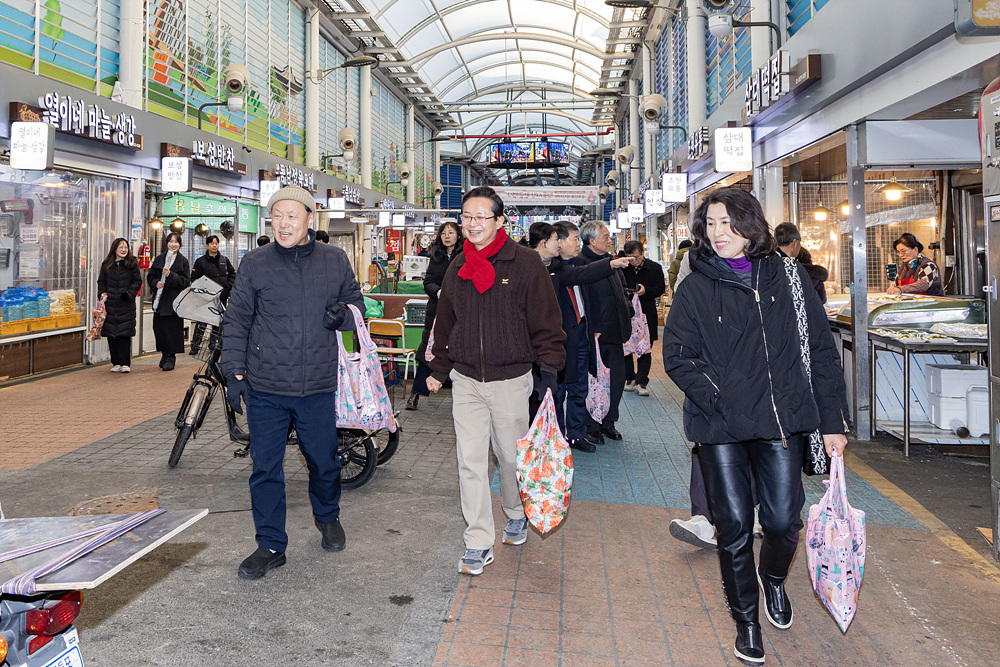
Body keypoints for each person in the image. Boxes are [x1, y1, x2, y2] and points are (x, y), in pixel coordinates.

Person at [662, 187, 849, 666]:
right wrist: (719, 397)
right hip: (720, 424)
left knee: (785, 522)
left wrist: (832, 421)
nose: (718, 233)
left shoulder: (788, 276)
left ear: (751, 225)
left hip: (780, 421)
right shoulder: (696, 285)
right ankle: (746, 619)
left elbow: (821, 352)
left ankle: (774, 580)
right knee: (735, 526)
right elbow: (678, 357)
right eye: (711, 225)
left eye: (728, 223)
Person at [221, 185, 364, 580]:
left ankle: (328, 515)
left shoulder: (335, 260)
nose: (283, 223)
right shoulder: (255, 263)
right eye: (276, 215)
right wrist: (232, 370)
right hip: (266, 385)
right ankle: (269, 544)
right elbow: (237, 320)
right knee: (265, 468)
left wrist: (345, 317)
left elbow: (357, 308)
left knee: (323, 461)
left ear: (309, 220)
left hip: (317, 385)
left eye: (291, 216)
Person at [425, 186, 565, 576]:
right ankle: (478, 541)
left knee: (509, 456)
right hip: (466, 377)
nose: (470, 224)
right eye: (465, 217)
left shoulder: (525, 264)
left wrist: (550, 370)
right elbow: (446, 321)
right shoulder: (457, 266)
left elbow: (545, 319)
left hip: (510, 377)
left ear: (500, 221)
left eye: (479, 217)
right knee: (469, 462)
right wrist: (438, 368)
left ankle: (515, 511)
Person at [529, 221, 629, 450]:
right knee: (556, 391)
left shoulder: (566, 267)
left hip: (582, 335)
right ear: (554, 242)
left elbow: (583, 276)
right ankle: (557, 436)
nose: (577, 243)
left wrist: (611, 264)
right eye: (573, 238)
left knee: (579, 389)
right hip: (557, 341)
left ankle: (576, 434)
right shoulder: (542, 269)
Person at [575, 221, 632, 445]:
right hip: (595, 335)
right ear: (591, 241)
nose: (610, 240)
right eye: (606, 236)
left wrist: (627, 309)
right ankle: (592, 426)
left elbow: (621, 290)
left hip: (616, 332)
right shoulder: (581, 264)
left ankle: (609, 422)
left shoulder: (611, 262)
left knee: (616, 380)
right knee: (593, 383)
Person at [406, 219, 463, 411]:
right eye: (444, 233)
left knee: (461, 353)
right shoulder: (435, 255)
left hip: (460, 310)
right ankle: (416, 393)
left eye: (451, 233)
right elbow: (428, 281)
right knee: (427, 352)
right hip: (437, 310)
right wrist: (438, 292)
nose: (447, 236)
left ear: (458, 235)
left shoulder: (465, 255)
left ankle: (463, 400)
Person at [622, 240, 666, 396]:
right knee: (626, 347)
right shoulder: (622, 268)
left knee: (645, 348)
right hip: (627, 313)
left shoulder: (654, 268)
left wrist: (646, 291)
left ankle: (642, 381)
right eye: (629, 257)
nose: (633, 260)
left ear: (642, 254)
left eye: (636, 256)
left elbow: (660, 288)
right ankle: (629, 378)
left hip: (647, 313)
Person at [147, 232, 191, 371]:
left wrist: (171, 275)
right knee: (160, 330)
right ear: (166, 243)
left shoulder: (183, 261)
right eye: (171, 241)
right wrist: (156, 283)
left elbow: (185, 282)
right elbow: (150, 277)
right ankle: (164, 354)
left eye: (176, 242)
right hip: (160, 302)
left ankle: (170, 357)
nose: (173, 244)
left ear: (180, 244)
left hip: (174, 302)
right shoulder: (159, 259)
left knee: (173, 331)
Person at [97, 237, 142, 373]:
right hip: (110, 304)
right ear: (115, 249)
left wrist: (129, 295)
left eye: (125, 247)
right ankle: (115, 362)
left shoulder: (132, 263)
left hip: (125, 304)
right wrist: (102, 297)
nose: (123, 250)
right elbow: (101, 282)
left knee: (124, 335)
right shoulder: (107, 265)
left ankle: (125, 363)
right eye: (121, 247)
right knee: (112, 335)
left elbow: (137, 281)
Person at [189, 235, 236, 355]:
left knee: (218, 322)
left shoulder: (224, 260)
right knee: (202, 322)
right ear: (207, 245)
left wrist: (228, 286)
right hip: (206, 298)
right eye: (212, 243)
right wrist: (205, 291)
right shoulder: (200, 262)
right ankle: (195, 346)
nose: (214, 245)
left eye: (216, 243)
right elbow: (195, 279)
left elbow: (232, 274)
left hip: (222, 297)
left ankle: (213, 345)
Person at [774, 222, 828, 303]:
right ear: (794, 243)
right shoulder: (795, 268)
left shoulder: (767, 262)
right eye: (800, 243)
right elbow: (820, 301)